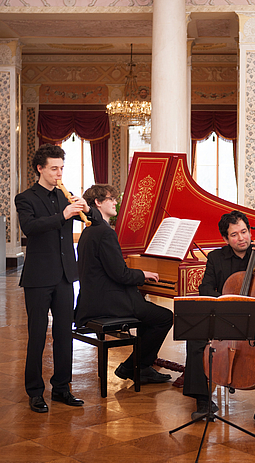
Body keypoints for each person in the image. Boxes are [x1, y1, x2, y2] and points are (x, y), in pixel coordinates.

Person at [183, 210, 255, 430]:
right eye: (234, 235)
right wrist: (227, 302)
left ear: (250, 231)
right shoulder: (216, 258)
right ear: (225, 239)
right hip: (226, 316)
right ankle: (203, 401)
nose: (241, 238)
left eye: (244, 232)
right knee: (195, 339)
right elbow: (206, 288)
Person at [15, 143, 98, 413]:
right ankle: (35, 392)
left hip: (65, 277)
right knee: (37, 336)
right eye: (54, 169)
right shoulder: (25, 198)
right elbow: (30, 227)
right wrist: (62, 215)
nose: (59, 173)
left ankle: (62, 388)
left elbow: (96, 220)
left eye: (61, 168)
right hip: (38, 278)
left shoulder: (66, 195)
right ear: (40, 169)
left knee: (64, 335)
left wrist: (88, 210)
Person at [75, 184, 173, 385]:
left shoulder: (89, 231)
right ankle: (133, 367)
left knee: (149, 315)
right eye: (111, 199)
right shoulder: (105, 232)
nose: (115, 202)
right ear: (98, 203)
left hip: (92, 300)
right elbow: (120, 274)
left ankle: (141, 366)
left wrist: (137, 275)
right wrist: (142, 274)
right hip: (108, 302)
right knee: (164, 317)